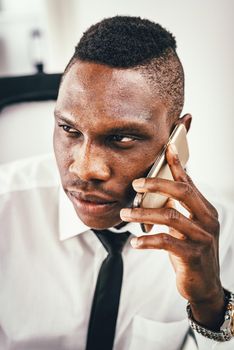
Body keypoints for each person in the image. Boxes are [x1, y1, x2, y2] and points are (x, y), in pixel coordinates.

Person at [0, 15, 234, 350]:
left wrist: (211, 303)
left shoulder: (217, 236)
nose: (84, 169)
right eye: (69, 130)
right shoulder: (5, 208)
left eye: (122, 138)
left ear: (176, 136)